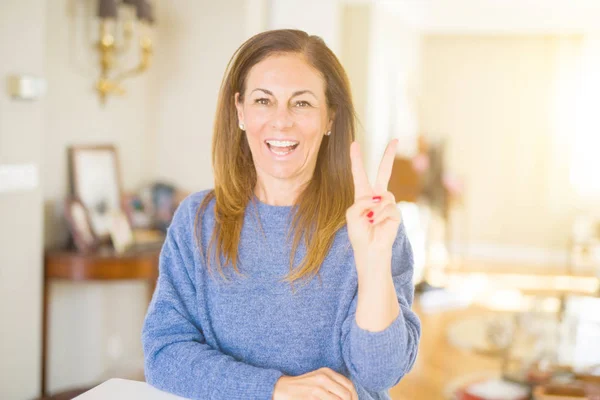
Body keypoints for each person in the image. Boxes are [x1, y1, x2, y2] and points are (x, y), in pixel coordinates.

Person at [142, 29, 421, 400]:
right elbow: (163, 355)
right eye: (263, 101)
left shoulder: (370, 226)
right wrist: (274, 389)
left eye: (302, 103)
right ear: (240, 110)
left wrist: (373, 261)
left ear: (330, 118)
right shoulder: (197, 220)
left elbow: (379, 374)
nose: (281, 121)